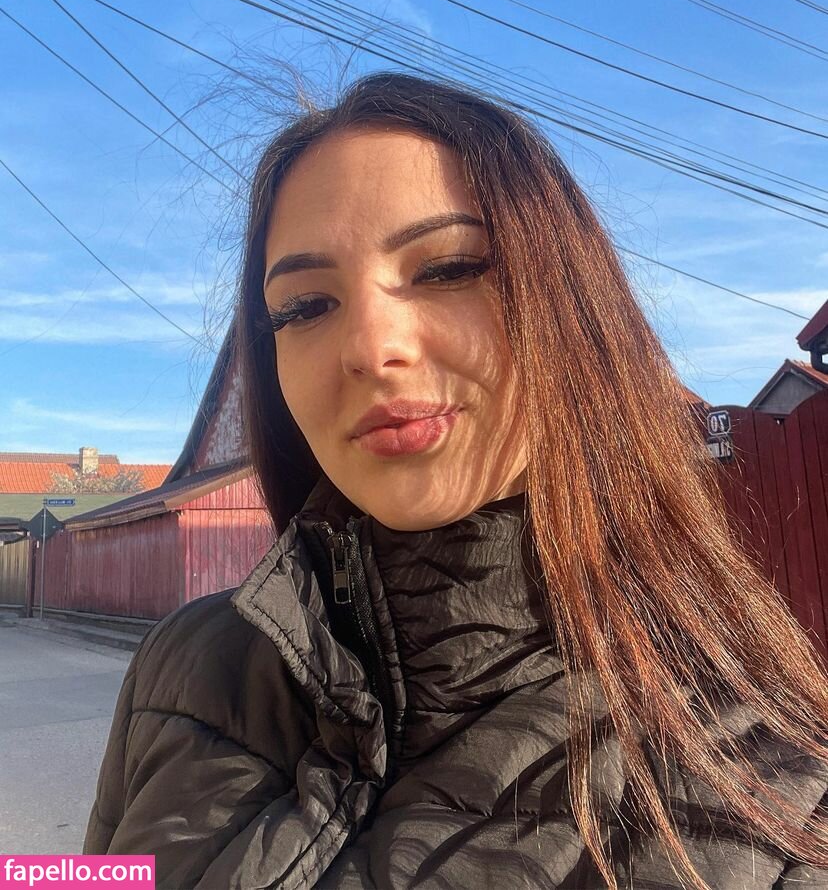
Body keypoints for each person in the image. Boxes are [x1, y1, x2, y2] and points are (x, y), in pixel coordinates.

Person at [84, 72, 828, 889]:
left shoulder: (779, 800)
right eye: (304, 308)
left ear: (573, 308)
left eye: (448, 268)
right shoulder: (183, 668)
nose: (371, 349)